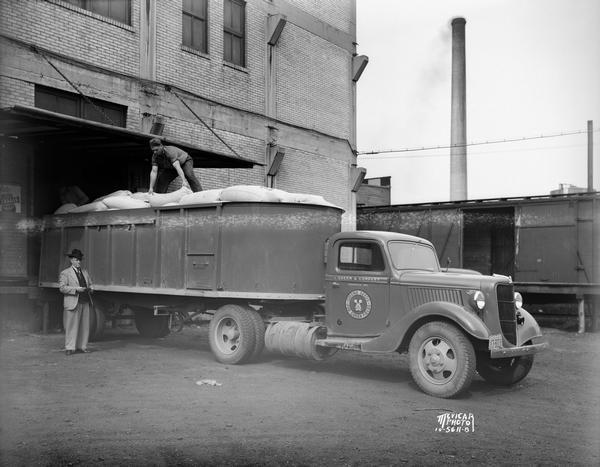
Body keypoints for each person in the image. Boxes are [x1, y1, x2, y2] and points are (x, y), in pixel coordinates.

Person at [59, 249, 93, 356]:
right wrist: (76, 289)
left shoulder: (85, 272)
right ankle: (70, 347)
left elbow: (90, 284)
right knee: (71, 326)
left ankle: (82, 346)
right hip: (73, 302)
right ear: (72, 260)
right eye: (77, 260)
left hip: (85, 301)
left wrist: (91, 288)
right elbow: (62, 288)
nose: (79, 262)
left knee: (84, 326)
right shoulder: (65, 273)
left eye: (80, 260)